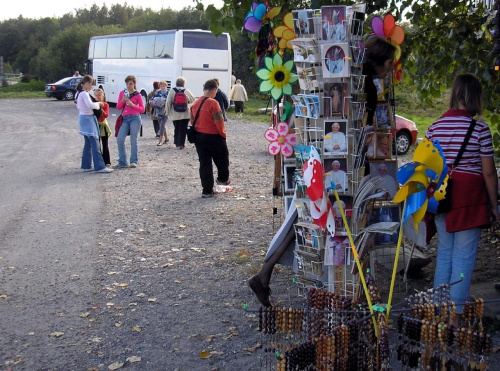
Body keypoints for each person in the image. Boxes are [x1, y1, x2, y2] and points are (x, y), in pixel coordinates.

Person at [426, 73, 498, 325]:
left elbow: (426, 167)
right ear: (475, 97)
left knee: (445, 252)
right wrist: (494, 205)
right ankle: (455, 317)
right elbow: (488, 172)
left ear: (454, 95)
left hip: (442, 196)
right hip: (470, 198)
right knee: (464, 255)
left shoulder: (434, 127)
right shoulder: (480, 129)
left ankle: (438, 311)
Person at [190, 79, 230, 198]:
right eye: (216, 91)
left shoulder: (195, 104)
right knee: (222, 159)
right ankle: (222, 179)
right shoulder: (213, 103)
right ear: (213, 89)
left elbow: (192, 121)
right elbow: (219, 121)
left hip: (199, 137)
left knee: (204, 163)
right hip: (214, 137)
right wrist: (223, 135)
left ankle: (207, 190)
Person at [74, 75, 113, 173]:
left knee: (88, 143)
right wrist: (99, 104)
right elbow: (90, 105)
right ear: (87, 83)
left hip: (83, 117)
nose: (92, 87)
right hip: (88, 118)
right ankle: (100, 166)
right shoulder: (84, 94)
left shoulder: (78, 93)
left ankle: (86, 165)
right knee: (95, 143)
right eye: (91, 85)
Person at [363, 36, 396, 126]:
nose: (392, 67)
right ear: (377, 61)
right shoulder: (367, 87)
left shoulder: (365, 82)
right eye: (390, 62)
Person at [115, 75, 145, 168]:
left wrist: (133, 105)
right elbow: (118, 107)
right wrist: (123, 100)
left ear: (134, 84)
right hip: (125, 118)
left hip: (135, 118)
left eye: (131, 84)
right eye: (127, 83)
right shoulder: (122, 93)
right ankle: (122, 161)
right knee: (120, 139)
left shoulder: (138, 95)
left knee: (133, 139)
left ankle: (133, 161)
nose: (129, 85)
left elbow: (142, 110)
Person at [166, 76, 196, 150]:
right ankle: (181, 144)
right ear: (183, 83)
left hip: (175, 113)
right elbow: (193, 99)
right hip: (185, 114)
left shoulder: (172, 91)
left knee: (176, 128)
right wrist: (187, 102)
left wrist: (167, 112)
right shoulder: (186, 91)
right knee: (183, 129)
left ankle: (176, 142)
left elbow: (168, 102)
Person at [94, 88, 111, 167]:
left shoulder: (106, 105)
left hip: (103, 125)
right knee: (97, 145)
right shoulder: (93, 104)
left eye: (99, 95)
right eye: (96, 95)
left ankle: (107, 161)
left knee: (105, 144)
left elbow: (106, 115)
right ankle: (99, 162)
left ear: (103, 96)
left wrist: (101, 109)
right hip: (96, 125)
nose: (98, 97)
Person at [150, 80, 170, 146]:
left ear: (166, 86)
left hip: (165, 111)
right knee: (162, 126)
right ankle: (166, 138)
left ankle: (160, 140)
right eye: (161, 86)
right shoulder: (157, 93)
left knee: (162, 125)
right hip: (158, 111)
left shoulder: (169, 93)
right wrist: (152, 102)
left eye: (164, 86)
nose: (163, 87)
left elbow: (172, 102)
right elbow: (151, 100)